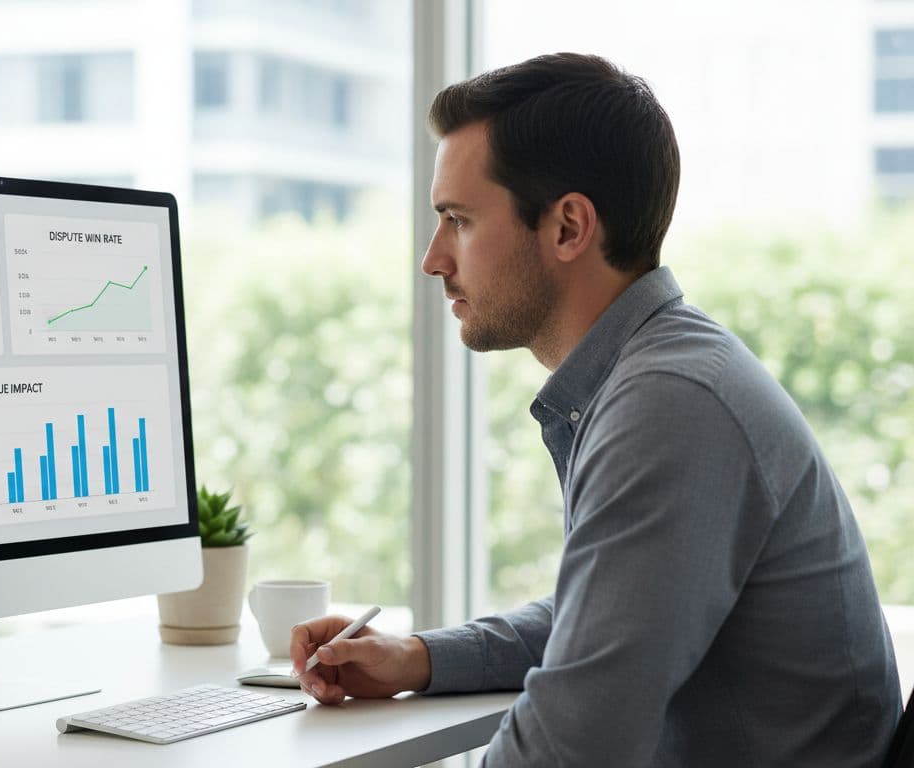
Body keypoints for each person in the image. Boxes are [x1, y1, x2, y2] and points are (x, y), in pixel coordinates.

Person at [290, 52, 902, 766]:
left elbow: (573, 744)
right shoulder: (658, 373)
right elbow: (609, 621)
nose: (432, 259)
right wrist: (420, 658)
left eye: (457, 220)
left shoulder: (671, 405)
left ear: (568, 228)